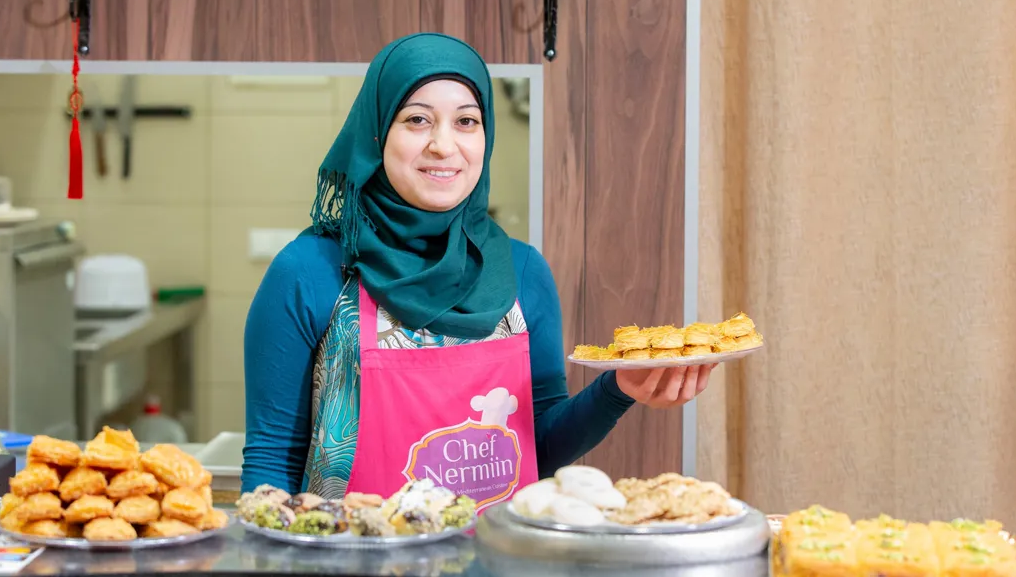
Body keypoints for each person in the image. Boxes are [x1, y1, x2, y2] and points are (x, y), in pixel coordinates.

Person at [241, 33, 713, 504]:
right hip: (353, 559)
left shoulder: (522, 271)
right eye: (417, 120)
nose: (444, 146)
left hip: (500, 561)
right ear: (377, 132)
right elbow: (271, 461)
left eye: (466, 121)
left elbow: (539, 448)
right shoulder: (310, 272)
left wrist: (619, 389)